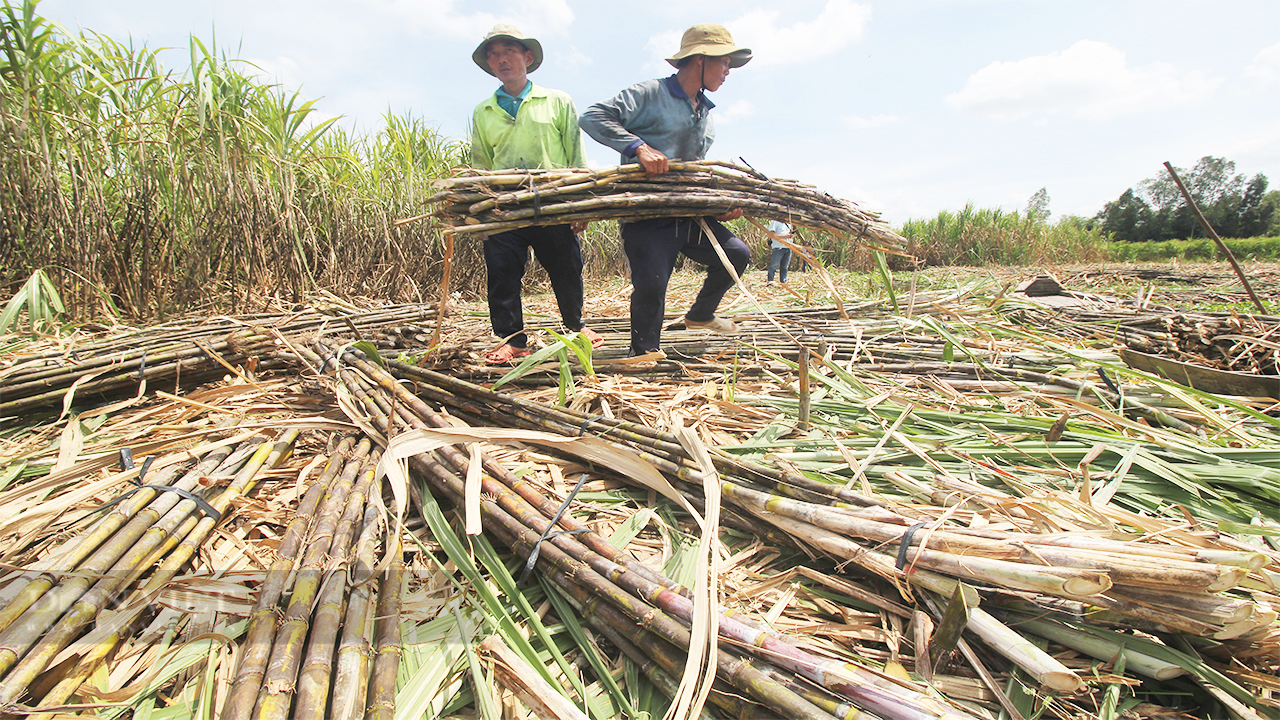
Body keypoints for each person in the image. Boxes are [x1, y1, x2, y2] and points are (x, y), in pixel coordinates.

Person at [579, 23, 753, 358]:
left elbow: (693, 171)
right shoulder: (649, 93)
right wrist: (638, 148)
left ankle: (700, 314)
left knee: (736, 255)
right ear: (700, 59)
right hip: (646, 215)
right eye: (724, 63)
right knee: (652, 284)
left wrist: (715, 208)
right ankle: (643, 354)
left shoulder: (705, 113)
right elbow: (592, 116)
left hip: (688, 215)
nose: (728, 71)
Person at [470, 24, 603, 365]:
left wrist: (580, 205)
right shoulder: (483, 111)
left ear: (527, 57)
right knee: (501, 272)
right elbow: (481, 164)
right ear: (489, 65)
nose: (501, 59)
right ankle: (512, 339)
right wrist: (481, 212)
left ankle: (575, 328)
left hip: (552, 199)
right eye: (493, 54)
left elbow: (576, 154)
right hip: (504, 205)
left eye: (509, 51)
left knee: (566, 267)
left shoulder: (557, 100)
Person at [765, 220, 793, 284]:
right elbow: (770, 235)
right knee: (774, 266)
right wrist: (785, 236)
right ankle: (770, 282)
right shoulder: (775, 221)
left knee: (785, 267)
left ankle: (783, 282)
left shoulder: (788, 223)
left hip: (788, 247)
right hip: (778, 248)